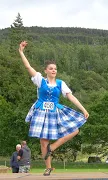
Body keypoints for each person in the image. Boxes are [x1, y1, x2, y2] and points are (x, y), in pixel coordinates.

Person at [18, 41, 89, 176]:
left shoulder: (61, 83)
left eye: (55, 69)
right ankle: (48, 167)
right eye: (51, 68)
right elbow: (28, 67)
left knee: (75, 130)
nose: (53, 70)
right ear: (46, 71)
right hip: (41, 112)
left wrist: (83, 109)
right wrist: (21, 52)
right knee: (43, 141)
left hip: (55, 112)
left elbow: (71, 97)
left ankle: (54, 147)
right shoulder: (40, 80)